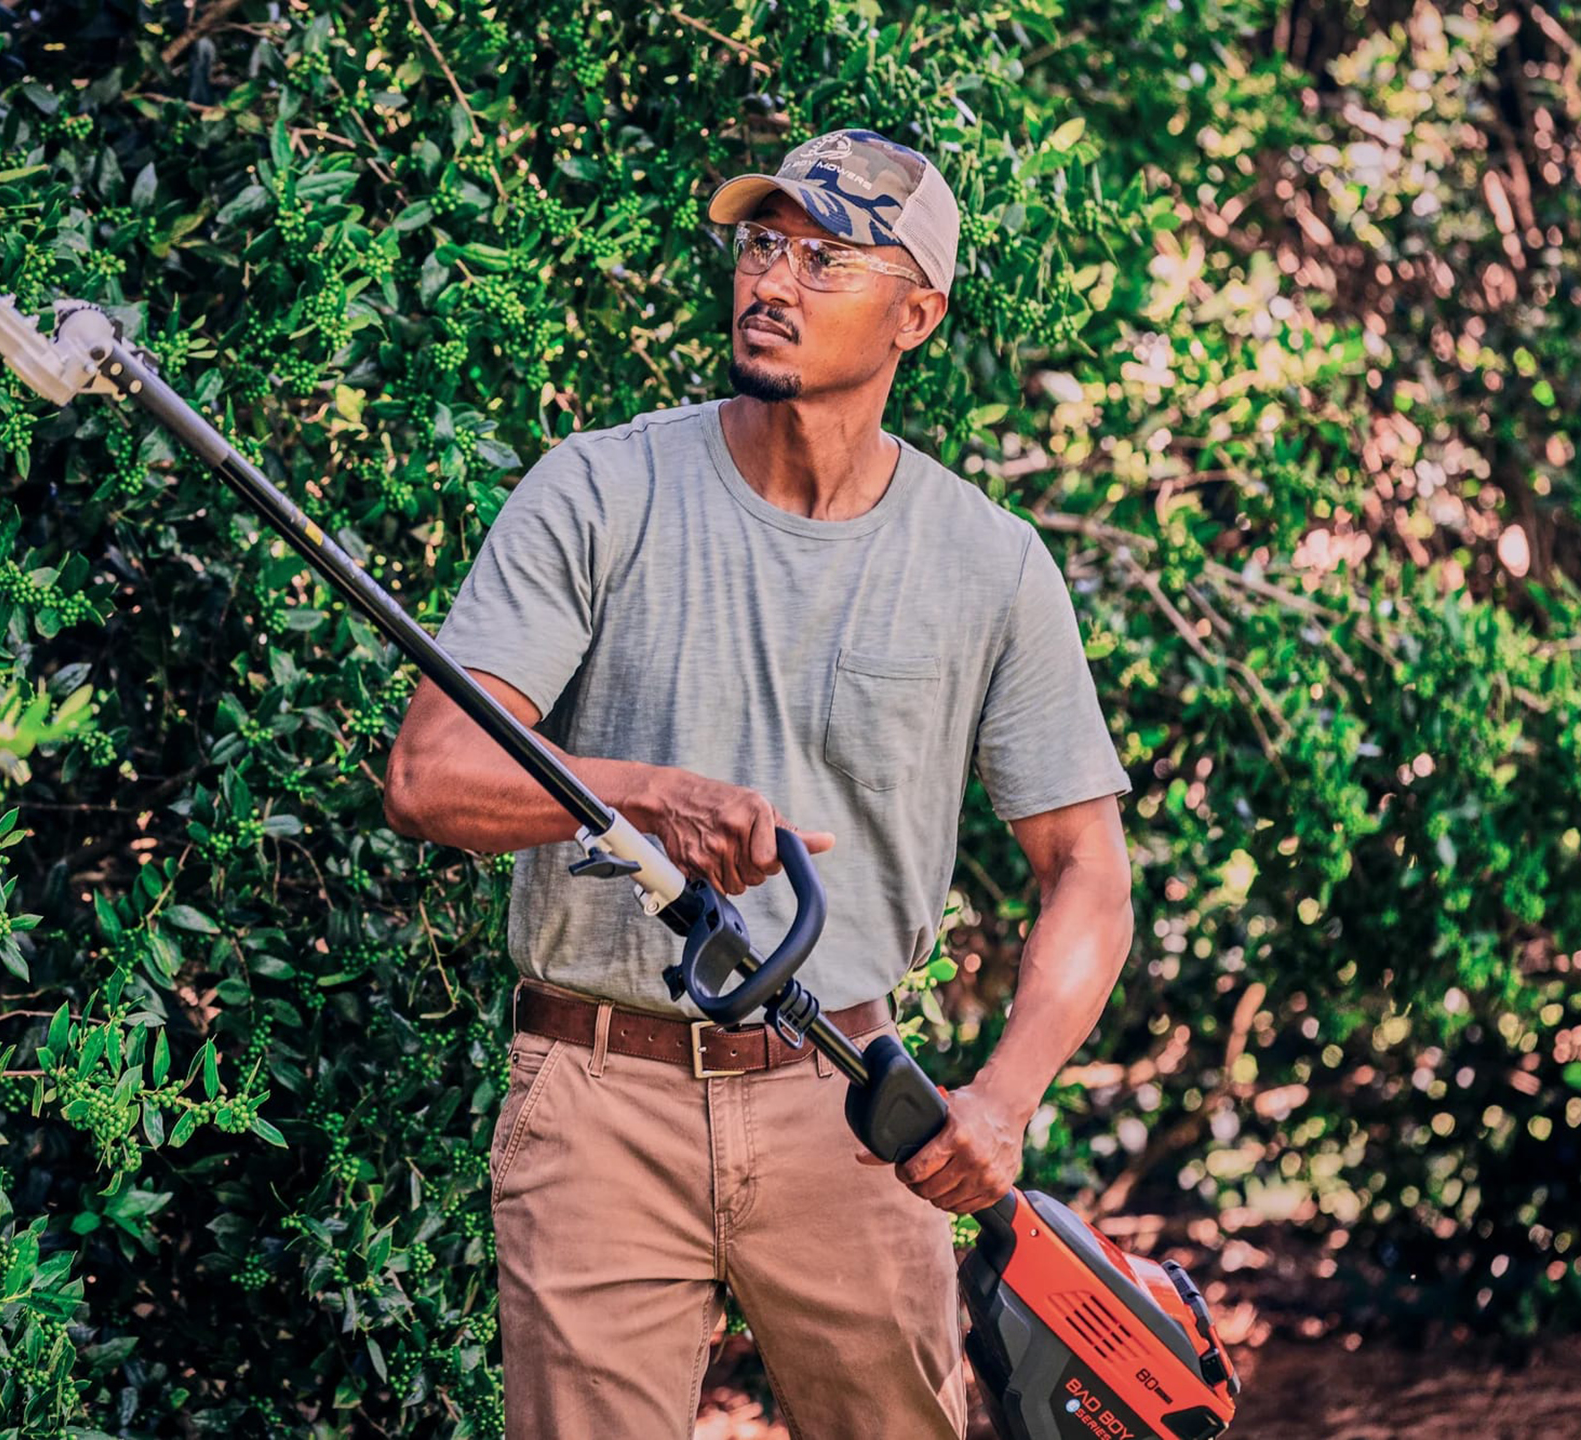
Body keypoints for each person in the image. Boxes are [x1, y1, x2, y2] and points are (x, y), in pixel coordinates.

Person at [381, 127, 1135, 1440]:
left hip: (847, 1108)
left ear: (917, 311)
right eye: (760, 244)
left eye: (825, 256)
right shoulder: (600, 491)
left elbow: (1088, 875)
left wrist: (1002, 1101)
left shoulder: (990, 566)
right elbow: (431, 775)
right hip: (598, 1090)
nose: (772, 282)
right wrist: (639, 801)